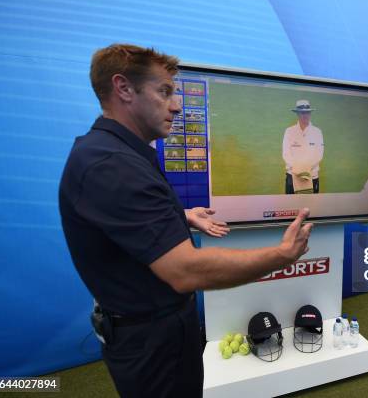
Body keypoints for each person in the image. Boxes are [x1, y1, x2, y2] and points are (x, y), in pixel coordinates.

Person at [58, 44, 313, 398]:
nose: (176, 105)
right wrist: (282, 255)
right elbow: (186, 271)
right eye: (164, 92)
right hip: (151, 343)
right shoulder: (111, 166)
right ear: (124, 88)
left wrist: (180, 216)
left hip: (160, 332)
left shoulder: (115, 154)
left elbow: (129, 219)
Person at [282, 99, 324, 194]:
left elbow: (319, 155)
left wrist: (305, 170)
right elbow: (286, 154)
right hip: (292, 175)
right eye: (302, 113)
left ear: (310, 113)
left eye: (307, 112)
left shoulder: (317, 132)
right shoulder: (289, 131)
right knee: (290, 206)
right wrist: (298, 170)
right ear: (297, 114)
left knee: (311, 208)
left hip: (312, 176)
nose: (305, 115)